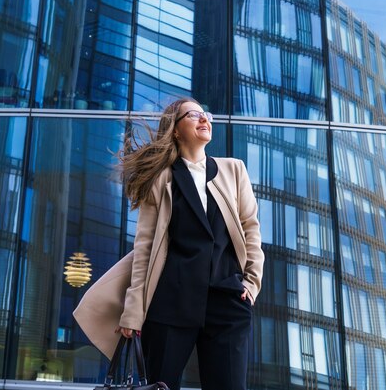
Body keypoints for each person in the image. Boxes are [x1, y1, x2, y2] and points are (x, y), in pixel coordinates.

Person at [74, 97, 264, 390]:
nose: (204, 120)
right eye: (194, 115)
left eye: (206, 114)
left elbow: (251, 229)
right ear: (175, 130)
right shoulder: (161, 179)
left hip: (227, 300)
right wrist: (133, 312)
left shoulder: (233, 170)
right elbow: (146, 248)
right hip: (171, 302)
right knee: (160, 385)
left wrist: (251, 283)